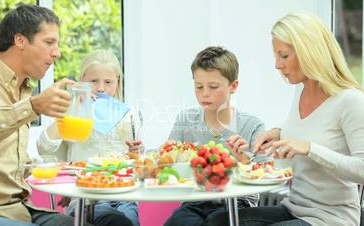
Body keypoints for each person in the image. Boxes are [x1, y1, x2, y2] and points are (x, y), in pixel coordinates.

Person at [218, 11, 364, 226]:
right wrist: (250, 153)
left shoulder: (350, 100)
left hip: (331, 219)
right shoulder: (300, 91)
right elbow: (291, 155)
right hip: (294, 208)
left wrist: (310, 148)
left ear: (309, 52)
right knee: (218, 221)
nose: (277, 65)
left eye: (284, 55)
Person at [0, 4, 99, 226]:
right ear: (20, 41)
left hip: (21, 209)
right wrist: (32, 107)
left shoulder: (23, 89)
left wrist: (64, 170)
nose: (57, 52)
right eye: (49, 43)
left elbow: (11, 164)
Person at [37, 49, 140, 226]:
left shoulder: (129, 115)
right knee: (118, 222)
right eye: (93, 82)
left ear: (118, 83)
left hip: (122, 194)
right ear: (82, 83)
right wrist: (73, 108)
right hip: (84, 197)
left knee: (128, 219)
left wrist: (134, 152)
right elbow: (44, 148)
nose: (101, 88)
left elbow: (134, 161)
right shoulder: (73, 113)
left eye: (108, 82)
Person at [164, 46, 265, 226]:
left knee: (216, 222)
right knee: (177, 221)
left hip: (238, 203)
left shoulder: (252, 125)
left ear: (233, 86)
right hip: (196, 200)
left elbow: (266, 174)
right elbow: (165, 162)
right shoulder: (186, 120)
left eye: (213, 87)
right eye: (198, 86)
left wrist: (245, 160)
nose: (204, 94)